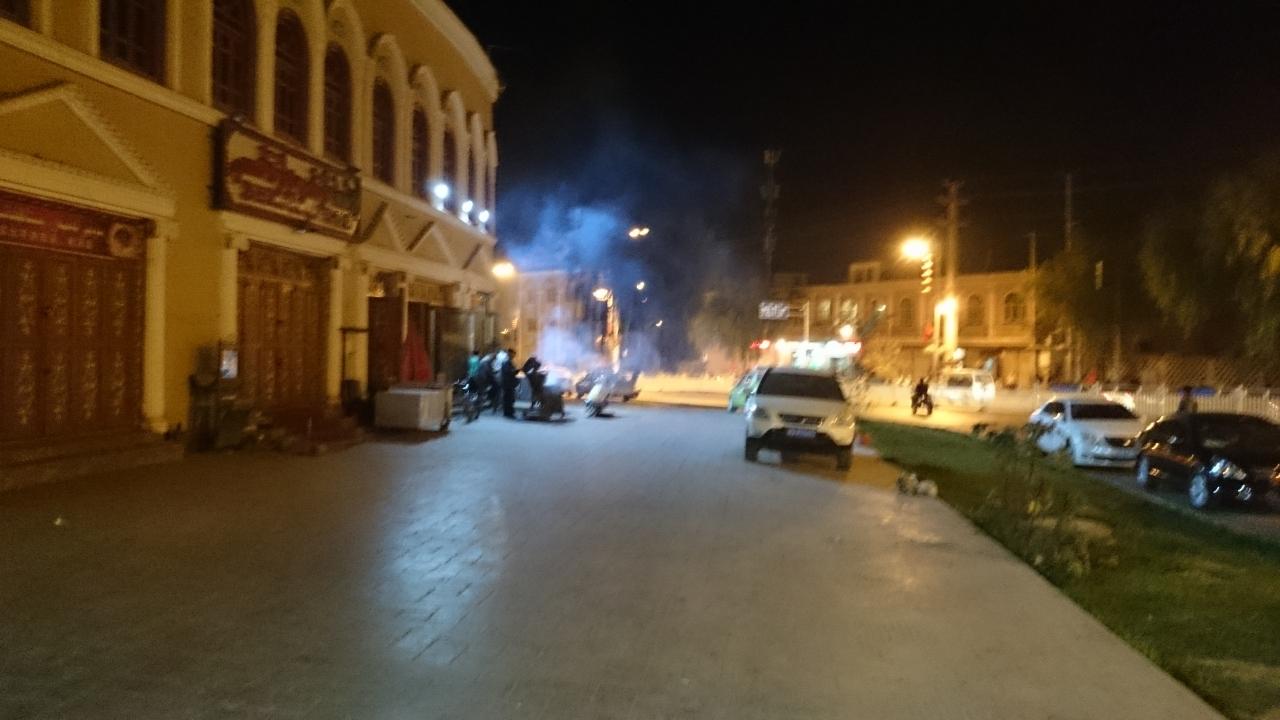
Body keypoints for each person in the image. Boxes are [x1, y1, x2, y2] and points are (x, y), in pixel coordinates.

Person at [500, 348, 519, 418]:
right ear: (510, 354)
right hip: (507, 384)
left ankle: (508, 412)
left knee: (509, 398)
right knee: (509, 399)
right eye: (513, 354)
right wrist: (516, 371)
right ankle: (508, 413)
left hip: (509, 384)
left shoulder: (509, 362)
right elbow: (508, 372)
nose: (514, 356)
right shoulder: (506, 362)